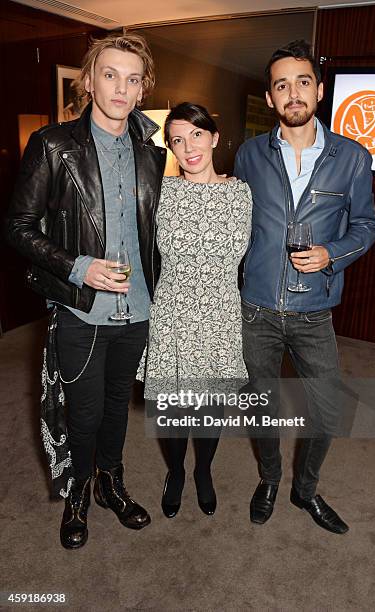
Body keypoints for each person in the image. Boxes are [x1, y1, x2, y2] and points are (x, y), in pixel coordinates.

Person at [6, 33, 166, 549]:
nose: (121, 88)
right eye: (111, 75)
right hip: (81, 306)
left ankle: (111, 484)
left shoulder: (153, 155)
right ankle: (77, 492)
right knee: (85, 410)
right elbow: (18, 226)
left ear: (142, 90)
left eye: (133, 78)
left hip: (138, 307)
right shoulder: (54, 146)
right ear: (91, 81)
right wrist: (77, 267)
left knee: (118, 404)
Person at [234, 40, 375, 534]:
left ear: (318, 89)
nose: (292, 93)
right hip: (255, 307)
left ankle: (306, 489)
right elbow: (234, 224)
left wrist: (330, 254)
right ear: (271, 98)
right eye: (281, 85)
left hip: (314, 308)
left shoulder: (353, 157)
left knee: (327, 408)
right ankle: (271, 479)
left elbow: (367, 226)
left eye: (301, 82)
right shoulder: (249, 154)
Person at [141, 102, 252, 518]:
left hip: (220, 314)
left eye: (197, 135)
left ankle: (203, 470)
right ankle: (175, 472)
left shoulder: (241, 192)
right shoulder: (161, 192)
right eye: (177, 139)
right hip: (172, 314)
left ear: (214, 137)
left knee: (208, 409)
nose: (188, 147)